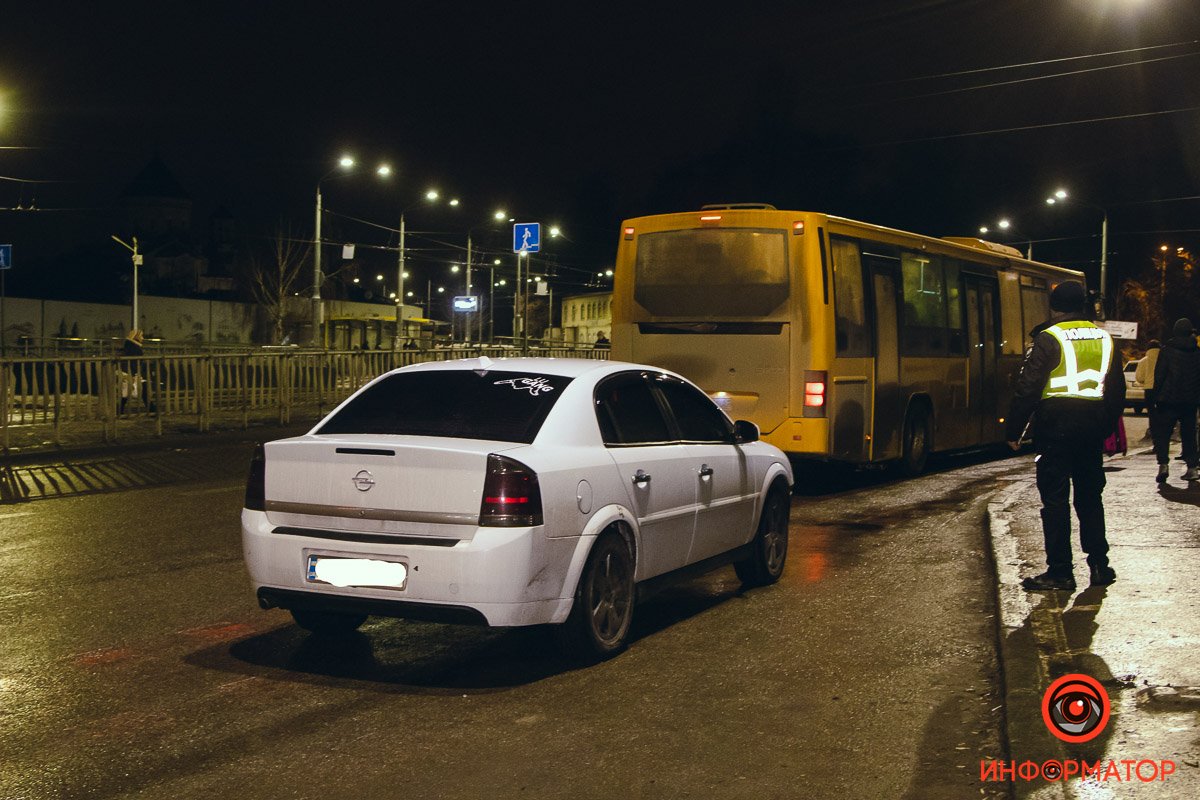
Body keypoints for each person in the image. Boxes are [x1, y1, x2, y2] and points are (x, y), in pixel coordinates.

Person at [1005, 280, 1125, 591]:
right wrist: (1105, 426)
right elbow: (1116, 390)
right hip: (1090, 429)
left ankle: (1060, 571)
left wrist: (1013, 430)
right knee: (1089, 498)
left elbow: (1027, 387)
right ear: (1084, 305)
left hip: (1055, 427)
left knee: (1055, 500)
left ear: (1055, 306)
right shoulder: (1105, 338)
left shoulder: (1050, 337)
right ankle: (1100, 565)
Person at [1150, 318, 1200, 483]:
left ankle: (1163, 464)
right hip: (1190, 400)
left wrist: (1155, 396)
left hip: (1168, 399)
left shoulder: (1167, 350)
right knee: (1189, 434)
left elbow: (1160, 375)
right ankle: (1192, 468)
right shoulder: (1197, 352)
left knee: (1163, 434)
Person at [1135, 339, 1160, 440]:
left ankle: (1155, 441)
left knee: (1152, 416)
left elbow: (1139, 377)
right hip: (1162, 390)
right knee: (1163, 416)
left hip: (1149, 390)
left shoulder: (1144, 361)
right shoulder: (1165, 358)